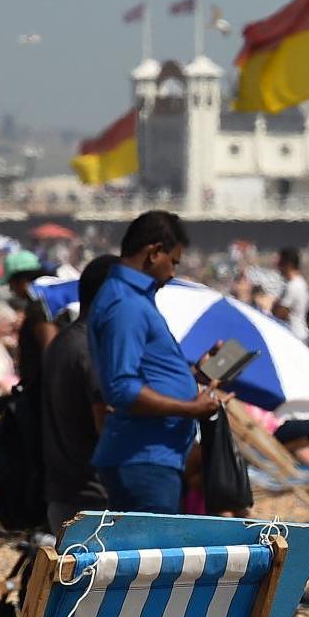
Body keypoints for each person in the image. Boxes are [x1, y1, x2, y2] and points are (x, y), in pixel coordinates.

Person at [89, 211, 223, 514]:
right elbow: (121, 388)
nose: (173, 272)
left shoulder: (133, 299)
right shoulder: (126, 303)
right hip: (143, 458)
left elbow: (144, 374)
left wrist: (195, 375)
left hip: (152, 457)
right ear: (154, 252)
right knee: (153, 559)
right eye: (173, 261)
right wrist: (192, 409)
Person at [40, 256, 115, 534]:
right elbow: (105, 424)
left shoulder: (64, 340)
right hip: (93, 499)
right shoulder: (93, 350)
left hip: (64, 492)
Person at [273, 246, 309, 338]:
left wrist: (274, 306)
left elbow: (280, 313)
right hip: (297, 333)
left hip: (295, 334)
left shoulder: (293, 286)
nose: (278, 267)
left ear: (288, 264)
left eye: (280, 263)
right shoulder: (298, 282)